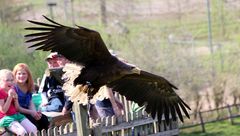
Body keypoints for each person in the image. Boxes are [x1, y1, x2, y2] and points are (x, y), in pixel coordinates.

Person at [12, 63, 50, 131]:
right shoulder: (14, 88)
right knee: (33, 122)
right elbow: (17, 108)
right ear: (15, 75)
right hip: (17, 112)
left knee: (43, 119)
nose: (21, 76)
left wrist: (35, 113)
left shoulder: (29, 86)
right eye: (19, 74)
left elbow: (30, 102)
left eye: (24, 73)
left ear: (28, 75)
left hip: (27, 111)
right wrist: (31, 112)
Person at [0, 69, 37, 135]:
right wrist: (10, 97)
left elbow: (17, 108)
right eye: (7, 80)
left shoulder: (12, 89)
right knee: (22, 132)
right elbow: (3, 110)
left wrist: (16, 99)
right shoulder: (1, 92)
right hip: (6, 118)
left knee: (33, 129)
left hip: (16, 115)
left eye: (12, 80)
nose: (10, 82)